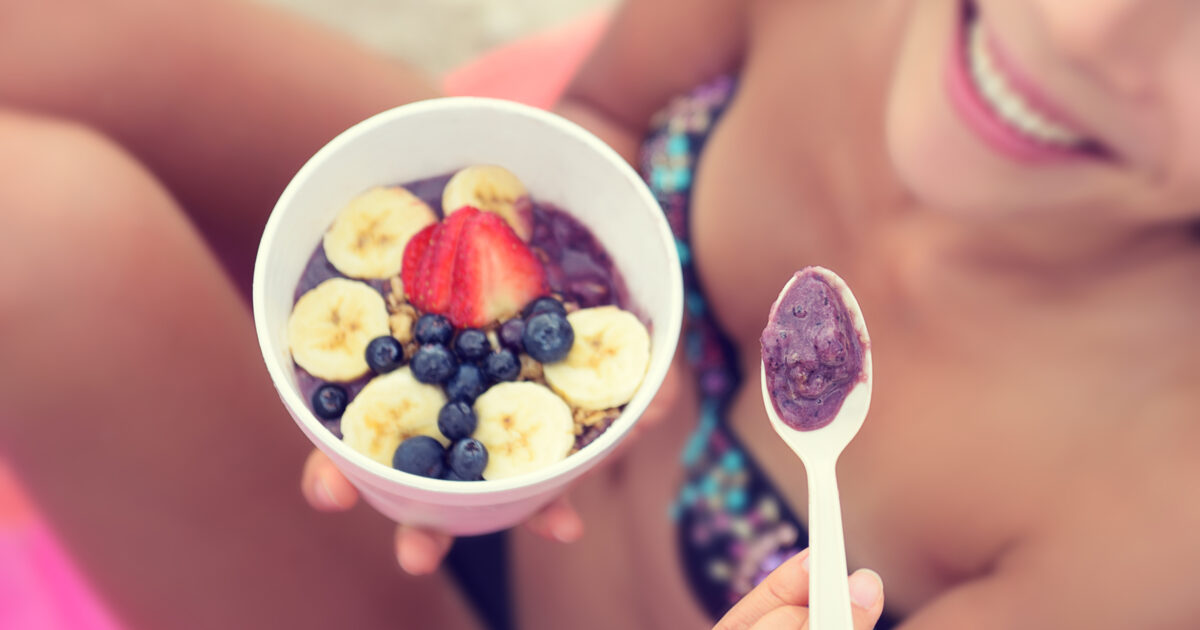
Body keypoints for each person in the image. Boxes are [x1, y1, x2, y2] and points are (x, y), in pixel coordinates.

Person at [2, 0, 1198, 628]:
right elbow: (615, 111)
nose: (1085, 23)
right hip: (491, 416)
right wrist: (578, 359)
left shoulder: (1161, 515)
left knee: (30, 230)